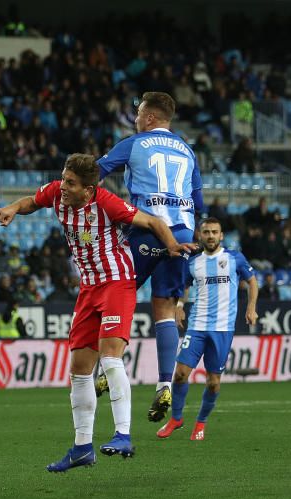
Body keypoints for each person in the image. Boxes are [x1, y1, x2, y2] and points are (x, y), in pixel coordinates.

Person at [0, 153, 194, 472]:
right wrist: (13, 209)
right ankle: (82, 448)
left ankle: (123, 435)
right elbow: (32, 200)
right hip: (88, 289)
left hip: (116, 282)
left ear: (89, 190)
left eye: (71, 183)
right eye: (63, 178)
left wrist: (171, 245)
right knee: (79, 370)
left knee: (111, 357)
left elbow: (154, 222)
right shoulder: (56, 194)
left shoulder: (107, 203)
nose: (63, 186)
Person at [96, 91, 204, 423]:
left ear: (151, 118)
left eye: (139, 114)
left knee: (120, 291)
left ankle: (108, 368)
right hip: (183, 233)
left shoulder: (134, 143)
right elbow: (199, 203)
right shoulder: (187, 151)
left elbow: (97, 171)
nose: (136, 119)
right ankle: (163, 384)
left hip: (146, 230)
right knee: (165, 310)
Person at [157, 218, 258, 441]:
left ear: (221, 236)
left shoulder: (234, 258)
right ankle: (176, 418)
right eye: (206, 232)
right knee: (181, 374)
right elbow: (184, 285)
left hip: (222, 329)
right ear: (200, 236)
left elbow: (252, 281)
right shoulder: (193, 262)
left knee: (213, 383)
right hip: (197, 325)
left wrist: (251, 308)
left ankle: (200, 423)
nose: (211, 236)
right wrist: (181, 306)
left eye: (214, 232)